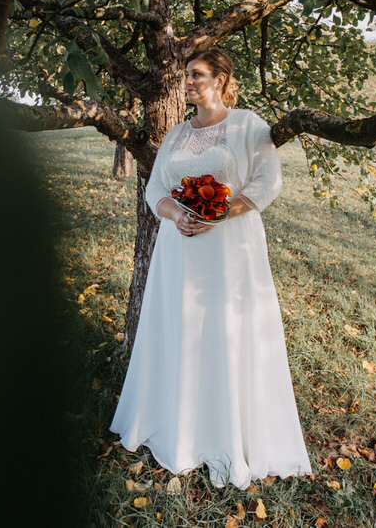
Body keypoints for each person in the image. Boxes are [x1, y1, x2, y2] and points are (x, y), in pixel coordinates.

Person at [110, 48, 312, 489]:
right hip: (178, 249)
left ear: (220, 79)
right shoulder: (176, 135)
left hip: (229, 248)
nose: (186, 82)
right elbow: (156, 189)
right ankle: (178, 428)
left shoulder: (248, 125)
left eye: (195, 75)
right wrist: (175, 214)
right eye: (185, 75)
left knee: (226, 331)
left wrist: (221, 211)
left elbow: (267, 181)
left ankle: (228, 433)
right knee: (182, 330)